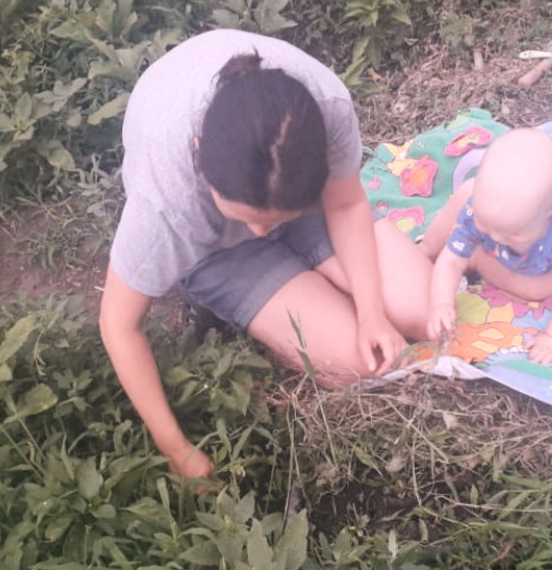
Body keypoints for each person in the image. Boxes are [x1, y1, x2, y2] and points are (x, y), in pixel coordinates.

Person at [99, 30, 431, 483]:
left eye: (273, 221)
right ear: (198, 153)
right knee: (359, 365)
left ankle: (304, 257)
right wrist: (174, 446)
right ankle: (270, 279)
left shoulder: (322, 110)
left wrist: (373, 312)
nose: (261, 231)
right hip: (217, 246)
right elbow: (118, 324)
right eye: (247, 218)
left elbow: (345, 204)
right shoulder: (169, 200)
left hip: (302, 200)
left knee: (422, 310)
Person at [421, 128, 552, 364]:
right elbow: (450, 261)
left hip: (541, 262)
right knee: (464, 193)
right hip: (505, 206)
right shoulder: (481, 207)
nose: (496, 238)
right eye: (485, 226)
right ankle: (425, 250)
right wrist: (441, 304)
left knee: (540, 289)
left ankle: (475, 258)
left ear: (549, 211)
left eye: (512, 234)